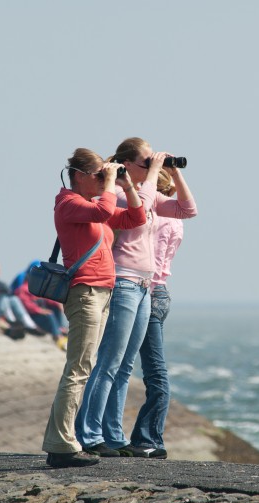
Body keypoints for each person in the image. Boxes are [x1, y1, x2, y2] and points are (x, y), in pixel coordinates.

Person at [75, 137, 197, 459]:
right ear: (127, 164)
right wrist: (154, 171)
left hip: (145, 287)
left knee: (125, 367)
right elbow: (136, 210)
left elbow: (188, 209)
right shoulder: (115, 193)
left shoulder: (149, 194)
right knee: (109, 362)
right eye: (145, 162)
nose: (150, 167)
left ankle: (114, 436)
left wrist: (174, 171)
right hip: (123, 283)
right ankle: (89, 434)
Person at [41, 148, 146, 468]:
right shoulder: (69, 203)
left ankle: (58, 441)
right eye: (99, 176)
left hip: (103, 292)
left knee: (81, 368)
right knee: (78, 369)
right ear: (79, 176)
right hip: (85, 293)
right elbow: (103, 214)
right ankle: (62, 446)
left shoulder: (93, 204)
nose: (104, 181)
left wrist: (126, 186)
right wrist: (112, 181)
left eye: (105, 175)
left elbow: (136, 218)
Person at [129, 170, 184, 458]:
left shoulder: (154, 216)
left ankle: (148, 437)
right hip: (162, 291)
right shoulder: (175, 219)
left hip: (146, 291)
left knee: (149, 370)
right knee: (152, 368)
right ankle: (146, 436)